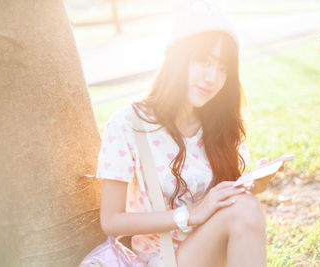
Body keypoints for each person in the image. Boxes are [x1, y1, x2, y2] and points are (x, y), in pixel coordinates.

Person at [95, 1, 282, 266]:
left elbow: (223, 207)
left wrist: (249, 185)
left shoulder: (218, 125)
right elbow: (111, 221)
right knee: (245, 209)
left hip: (211, 250)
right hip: (163, 257)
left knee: (245, 206)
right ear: (178, 60)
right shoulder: (128, 125)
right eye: (203, 61)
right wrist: (190, 214)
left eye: (222, 69)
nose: (212, 78)